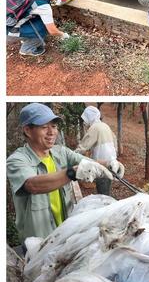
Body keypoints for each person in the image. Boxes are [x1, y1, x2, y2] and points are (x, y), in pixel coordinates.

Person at [6, 103, 125, 244]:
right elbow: (32, 185)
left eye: (54, 126)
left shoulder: (61, 152)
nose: (51, 132)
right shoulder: (17, 160)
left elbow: (86, 161)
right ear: (27, 130)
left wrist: (109, 164)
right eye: (44, 127)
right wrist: (72, 173)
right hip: (38, 242)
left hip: (65, 235)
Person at [6, 0, 71, 56]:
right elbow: (52, 31)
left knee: (36, 19)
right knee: (43, 28)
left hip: (7, 20)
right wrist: (63, 35)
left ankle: (25, 36)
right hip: (7, 32)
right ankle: (27, 49)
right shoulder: (43, 5)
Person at [75, 106, 118, 196]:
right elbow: (115, 141)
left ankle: (104, 208)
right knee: (106, 187)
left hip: (102, 163)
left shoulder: (94, 128)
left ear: (89, 117)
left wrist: (71, 155)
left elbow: (84, 146)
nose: (84, 122)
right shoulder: (105, 125)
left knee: (102, 191)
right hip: (111, 162)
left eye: (85, 118)